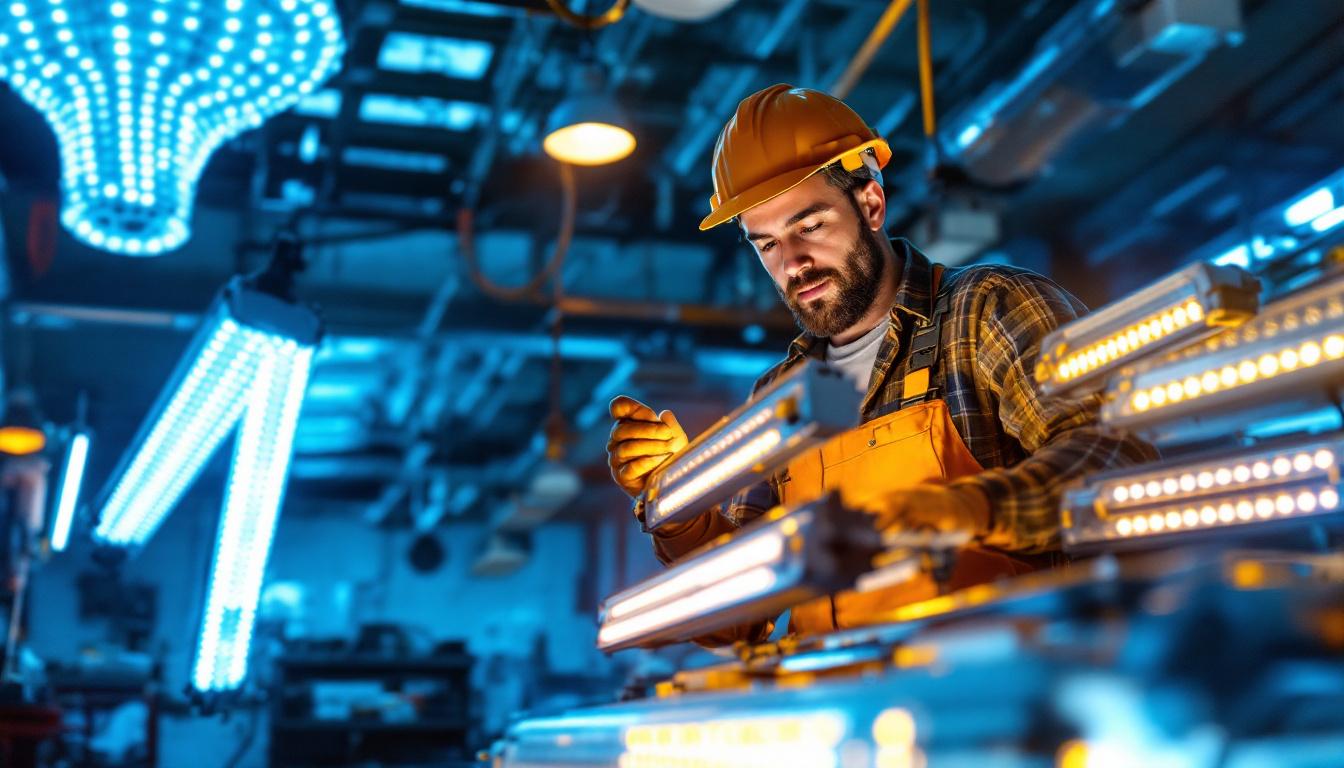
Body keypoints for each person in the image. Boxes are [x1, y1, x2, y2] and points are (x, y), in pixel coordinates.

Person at [605, 84, 1155, 641]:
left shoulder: (984, 309)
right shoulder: (780, 398)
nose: (793, 263)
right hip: (845, 708)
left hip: (999, 695)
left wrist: (971, 511)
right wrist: (679, 513)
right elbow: (740, 618)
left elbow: (1113, 455)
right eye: (767, 244)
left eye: (809, 226)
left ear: (870, 203)